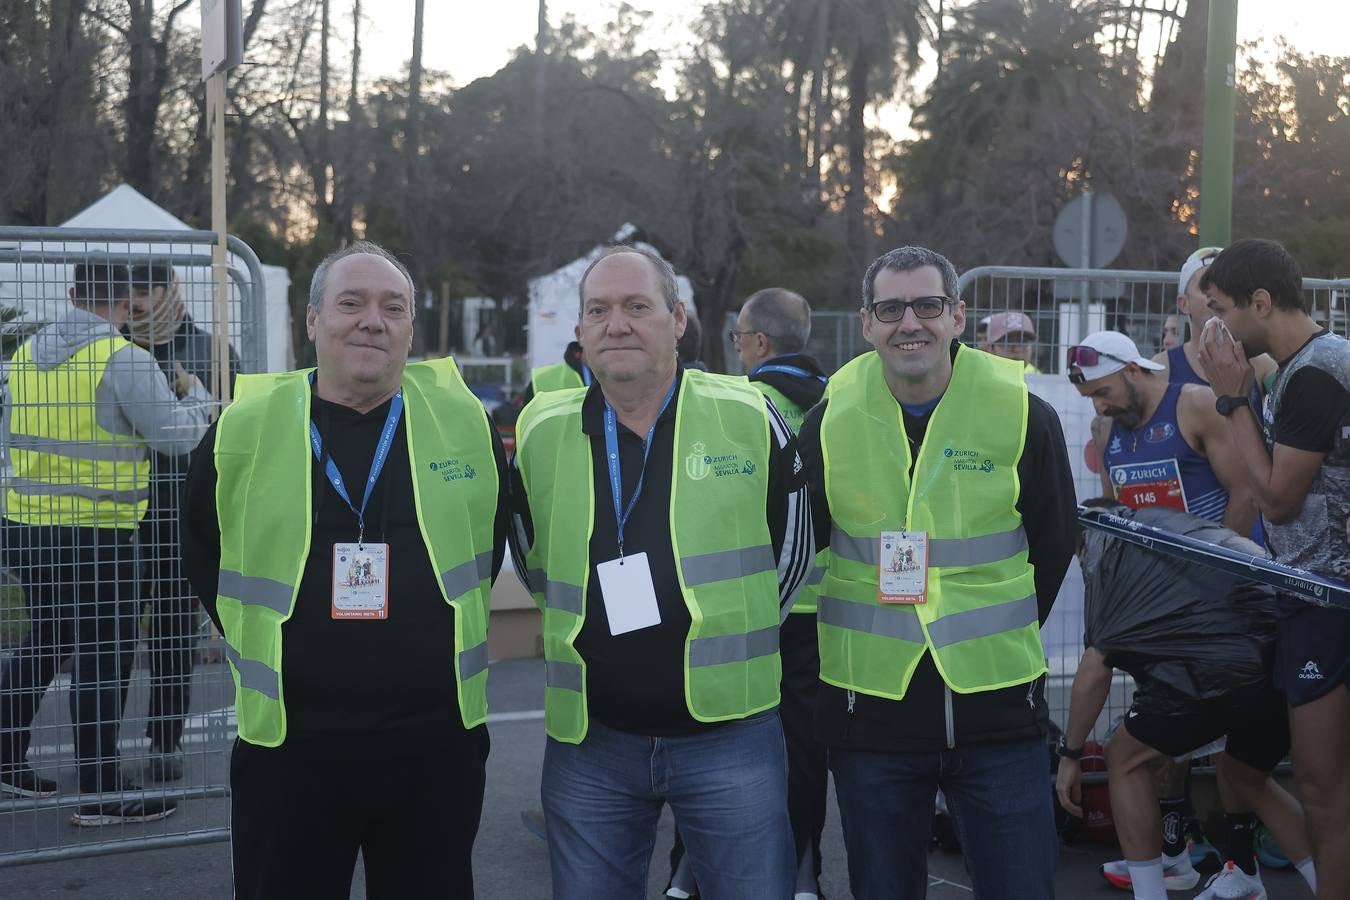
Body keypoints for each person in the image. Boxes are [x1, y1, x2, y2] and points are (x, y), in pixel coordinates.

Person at [180, 242, 508, 899]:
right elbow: (204, 554)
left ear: (411, 327)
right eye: (350, 303)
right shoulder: (244, 428)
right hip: (291, 751)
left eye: (393, 307)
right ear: (311, 321)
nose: (372, 320)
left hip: (433, 748)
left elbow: (489, 546)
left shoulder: (464, 423)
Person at [509, 245, 812, 899]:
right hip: (592, 737)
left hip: (731, 735)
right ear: (580, 330)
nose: (617, 323)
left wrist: (735, 629)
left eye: (637, 306)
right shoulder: (540, 430)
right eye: (599, 310)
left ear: (677, 319)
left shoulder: (752, 417)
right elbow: (531, 557)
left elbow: (791, 559)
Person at [798, 246, 1077, 899]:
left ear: (957, 315)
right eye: (891, 309)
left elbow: (1053, 540)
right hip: (870, 714)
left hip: (999, 712)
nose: (910, 323)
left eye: (927, 305)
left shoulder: (1023, 414)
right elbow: (795, 544)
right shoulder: (828, 421)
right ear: (867, 323)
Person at [0, 261, 210, 825]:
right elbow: (177, 438)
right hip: (98, 536)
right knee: (104, 658)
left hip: (23, 531)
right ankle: (100, 790)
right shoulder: (124, 360)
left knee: (45, 641)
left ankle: (4, 758)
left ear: (71, 293)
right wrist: (198, 397)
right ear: (127, 301)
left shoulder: (23, 356)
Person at [1057, 500, 1316, 900]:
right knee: (1246, 776)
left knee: (1124, 755)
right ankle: (1329, 884)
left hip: (1221, 669)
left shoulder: (1105, 547)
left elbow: (1095, 669)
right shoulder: (1163, 526)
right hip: (1281, 654)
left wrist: (1070, 754)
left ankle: (1150, 892)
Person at [1198, 237, 1350, 900]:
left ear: (1261, 302)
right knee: (1321, 784)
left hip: (1329, 601)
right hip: (1314, 598)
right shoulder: (1298, 368)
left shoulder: (1316, 370)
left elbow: (1277, 500)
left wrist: (1231, 400)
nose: (1215, 329)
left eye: (1221, 311)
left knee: (1321, 785)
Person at [730, 285, 829, 897]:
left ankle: (705, 876)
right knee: (806, 750)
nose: (738, 351)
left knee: (731, 748)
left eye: (739, 340)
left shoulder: (739, 406)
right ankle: (803, 876)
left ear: (760, 343)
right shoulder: (839, 403)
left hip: (757, 604)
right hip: (826, 609)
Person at [124, 262, 240, 782]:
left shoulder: (213, 353)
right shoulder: (119, 353)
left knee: (173, 637)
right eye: (135, 291)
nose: (142, 301)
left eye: (151, 289)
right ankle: (99, 750)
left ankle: (164, 739)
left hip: (182, 514)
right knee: (113, 640)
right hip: (119, 518)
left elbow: (235, 423)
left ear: (171, 291)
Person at [1072, 330, 1258, 539]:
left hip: (1205, 564)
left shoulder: (1195, 405)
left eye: (1103, 393)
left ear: (1132, 370)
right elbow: (1113, 511)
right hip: (1146, 568)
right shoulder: (1103, 429)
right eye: (1090, 397)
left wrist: (1215, 563)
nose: (1099, 407)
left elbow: (1245, 494)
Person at [1153, 246, 1276, 389]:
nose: (1218, 296)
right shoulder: (1163, 368)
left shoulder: (1261, 365)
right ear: (1184, 303)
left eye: (1226, 287)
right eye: (1206, 288)